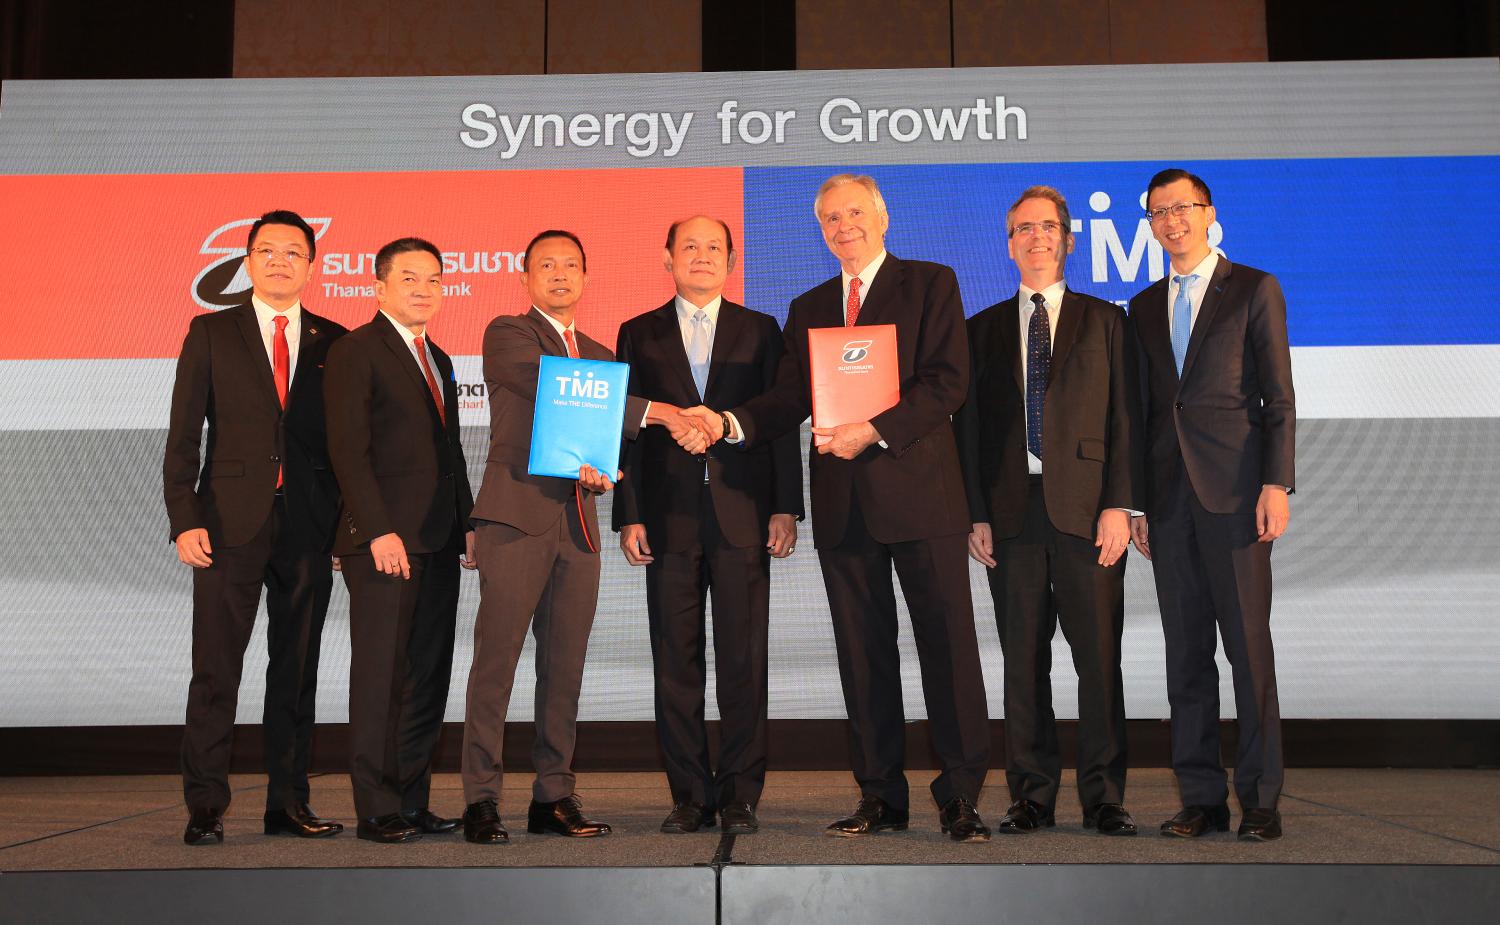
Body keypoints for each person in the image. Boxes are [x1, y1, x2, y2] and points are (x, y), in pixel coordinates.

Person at [686, 174, 992, 842]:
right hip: (845, 507)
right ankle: (880, 794)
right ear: (819, 228)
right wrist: (728, 421)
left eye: (855, 211)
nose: (843, 224)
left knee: (948, 648)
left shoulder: (931, 282)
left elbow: (947, 381)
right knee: (862, 655)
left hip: (923, 499)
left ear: (882, 215)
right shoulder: (810, 305)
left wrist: (872, 429)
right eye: (829, 217)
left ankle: (961, 794)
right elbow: (789, 397)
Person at [458, 230, 709, 844]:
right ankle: (482, 801)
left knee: (563, 669)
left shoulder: (601, 352)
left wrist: (603, 467)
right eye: (546, 265)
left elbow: (597, 432)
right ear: (524, 277)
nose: (560, 274)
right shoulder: (508, 334)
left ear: (587, 277)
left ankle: (553, 795)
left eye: (571, 265)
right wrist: (661, 412)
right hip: (515, 519)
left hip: (578, 526)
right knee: (496, 665)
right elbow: (555, 387)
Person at [954, 186, 1143, 836]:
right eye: (1022, 228)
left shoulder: (1107, 321)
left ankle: (1104, 797)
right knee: (1022, 664)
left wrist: (1121, 503)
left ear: (1068, 238)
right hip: (1009, 516)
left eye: (1047, 226)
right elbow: (969, 429)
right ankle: (1030, 795)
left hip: (1091, 514)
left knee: (1098, 661)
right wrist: (973, 511)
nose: (1036, 237)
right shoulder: (979, 329)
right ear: (1008, 244)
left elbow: (1127, 418)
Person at [613, 216, 803, 836]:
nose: (700, 256)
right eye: (688, 247)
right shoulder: (637, 333)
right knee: (675, 659)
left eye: (713, 247)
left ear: (731, 260)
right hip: (666, 518)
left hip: (744, 514)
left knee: (745, 658)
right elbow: (628, 433)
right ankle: (689, 794)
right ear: (666, 258)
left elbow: (776, 423)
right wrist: (630, 512)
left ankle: (742, 793)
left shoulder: (761, 329)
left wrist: (784, 506)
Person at [165, 210, 347, 845]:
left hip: (307, 528)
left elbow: (346, 448)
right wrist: (183, 518)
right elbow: (184, 436)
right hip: (225, 525)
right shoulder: (212, 332)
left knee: (295, 671)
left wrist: (345, 531)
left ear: (311, 265)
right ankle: (206, 808)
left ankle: (287, 804)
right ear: (246, 261)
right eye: (266, 250)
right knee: (216, 671)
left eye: (293, 252)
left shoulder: (334, 340)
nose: (279, 261)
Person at [1128, 168, 1295, 841]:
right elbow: (1141, 413)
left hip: (1236, 497)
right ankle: (1201, 796)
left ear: (1208, 213)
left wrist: (1276, 483)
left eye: (1183, 208)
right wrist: (1135, 501)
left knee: (1249, 652)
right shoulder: (1141, 307)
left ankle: (1260, 799)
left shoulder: (1254, 288)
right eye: (1160, 212)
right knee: (1185, 655)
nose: (1172, 221)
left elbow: (1279, 397)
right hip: (1168, 504)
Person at [324, 237, 477, 844]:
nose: (424, 289)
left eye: (434, 280)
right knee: (381, 677)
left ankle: (413, 800)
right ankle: (376, 807)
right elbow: (347, 450)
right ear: (379, 286)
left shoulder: (437, 356)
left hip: (437, 542)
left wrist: (467, 525)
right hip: (385, 543)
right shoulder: (355, 350)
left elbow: (450, 458)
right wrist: (377, 529)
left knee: (427, 677)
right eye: (410, 278)